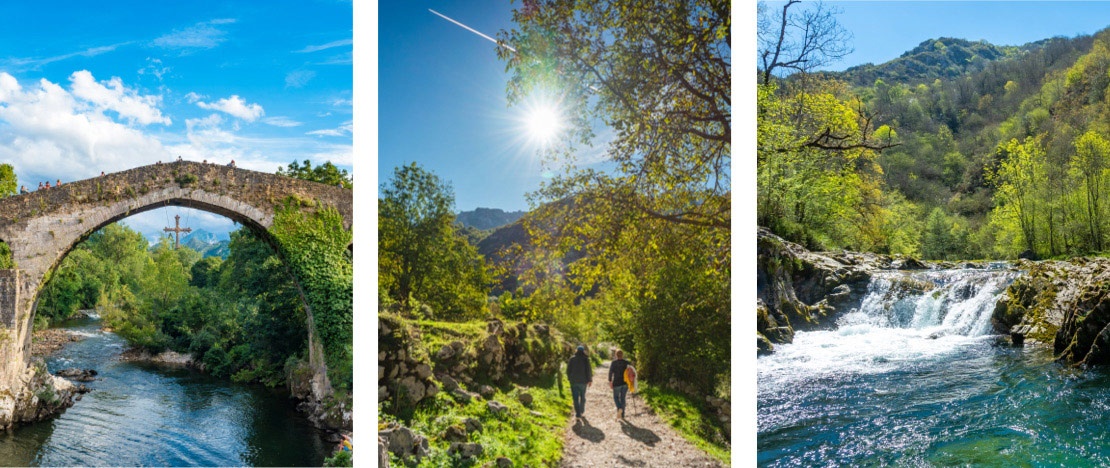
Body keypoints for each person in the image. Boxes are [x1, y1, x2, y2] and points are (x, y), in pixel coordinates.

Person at [567, 345, 592, 420]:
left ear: (576, 351)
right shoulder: (586, 359)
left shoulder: (572, 359)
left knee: (575, 398)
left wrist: (569, 378)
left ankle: (578, 414)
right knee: (582, 396)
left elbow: (568, 370)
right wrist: (590, 380)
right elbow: (588, 370)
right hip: (583, 381)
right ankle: (581, 411)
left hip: (574, 381)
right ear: (583, 351)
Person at [609, 349, 631, 420]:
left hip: (617, 383)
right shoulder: (627, 363)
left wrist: (610, 381)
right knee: (623, 398)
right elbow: (631, 372)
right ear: (622, 355)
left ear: (616, 355)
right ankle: (622, 414)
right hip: (625, 383)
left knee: (615, 397)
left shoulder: (614, 363)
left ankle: (619, 408)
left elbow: (610, 372)